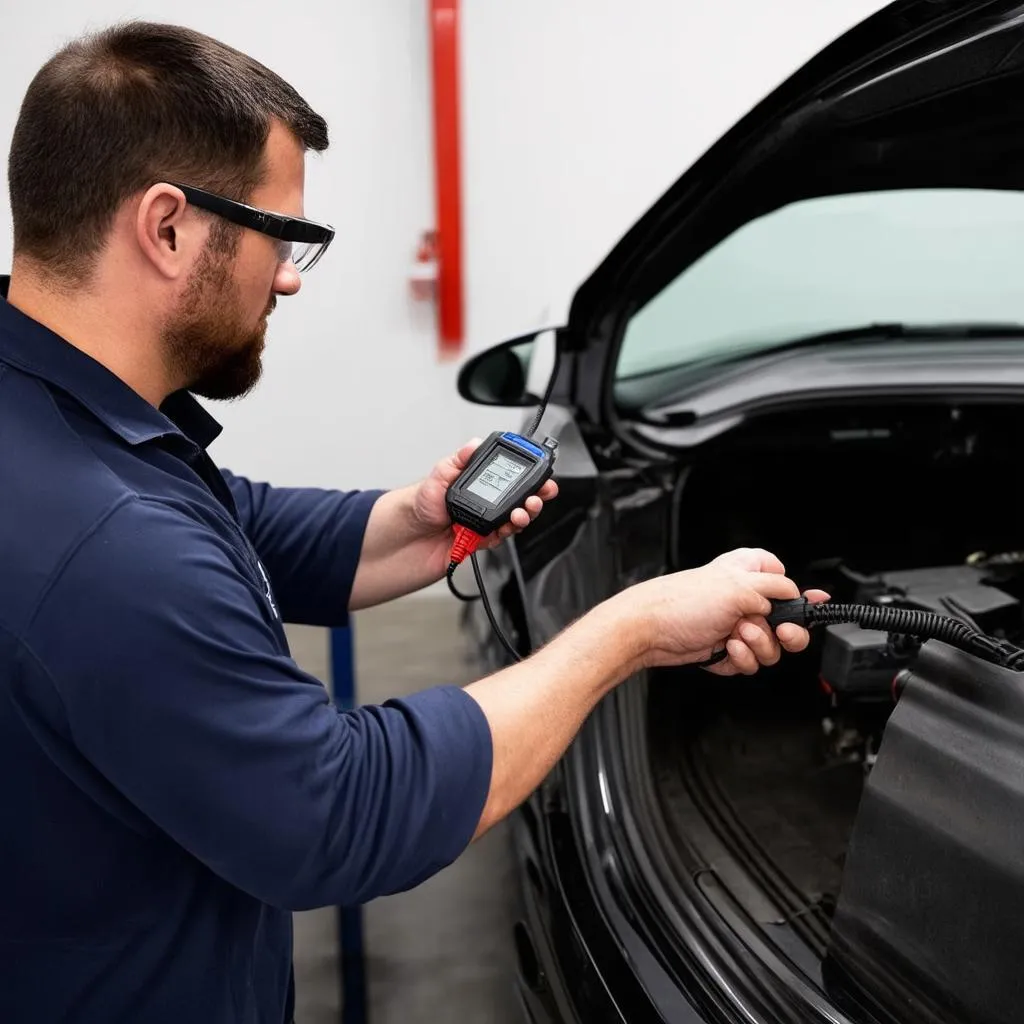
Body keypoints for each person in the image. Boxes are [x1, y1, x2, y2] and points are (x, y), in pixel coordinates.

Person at [0, 21, 825, 1024]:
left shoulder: (53, 418)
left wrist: (413, 523)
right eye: (285, 238)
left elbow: (229, 521)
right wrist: (627, 629)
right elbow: (337, 812)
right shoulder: (109, 544)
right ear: (168, 227)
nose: (290, 278)